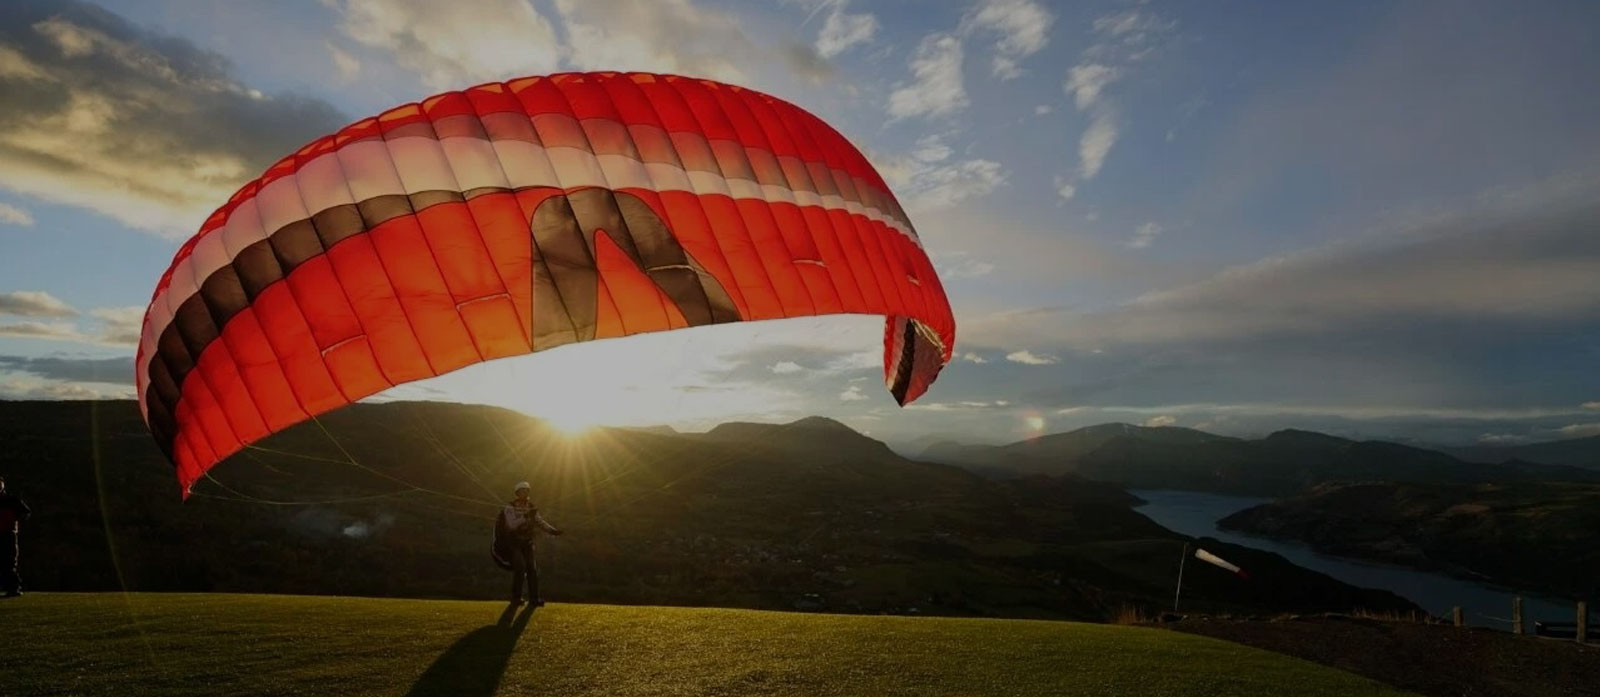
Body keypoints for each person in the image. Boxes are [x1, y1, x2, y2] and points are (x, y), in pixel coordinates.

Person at [498, 481, 561, 606]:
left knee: (532, 569)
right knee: (520, 567)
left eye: (527, 491)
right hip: (513, 543)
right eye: (522, 491)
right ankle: (516, 598)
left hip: (527, 542)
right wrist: (525, 516)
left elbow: (539, 521)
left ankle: (534, 599)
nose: (525, 493)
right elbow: (511, 525)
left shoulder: (531, 507)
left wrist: (552, 530)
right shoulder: (510, 507)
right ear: (517, 493)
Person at [0, 475, 31, 598]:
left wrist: (13, 521)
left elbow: (25, 512)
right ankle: (11, 587)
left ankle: (13, 588)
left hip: (8, 534)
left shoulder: (11, 500)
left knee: (9, 562)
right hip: (6, 533)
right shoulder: (10, 500)